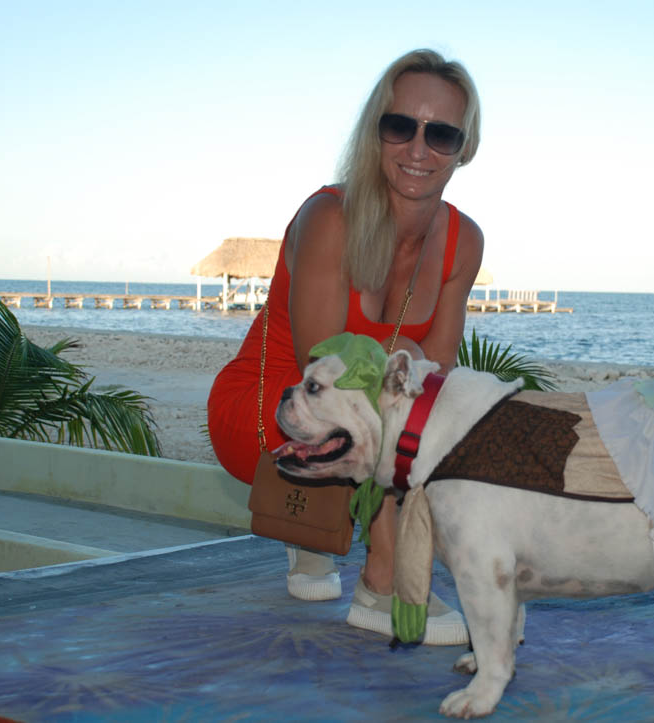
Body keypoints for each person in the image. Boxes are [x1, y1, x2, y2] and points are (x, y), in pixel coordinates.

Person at [207, 49, 483, 645]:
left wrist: (408, 360)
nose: (418, 149)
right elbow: (325, 372)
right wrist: (403, 349)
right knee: (370, 396)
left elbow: (434, 376)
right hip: (272, 407)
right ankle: (383, 582)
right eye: (400, 126)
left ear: (465, 147)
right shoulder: (330, 217)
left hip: (347, 416)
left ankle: (317, 523)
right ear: (374, 131)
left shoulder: (464, 241)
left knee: (424, 409)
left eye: (441, 134)